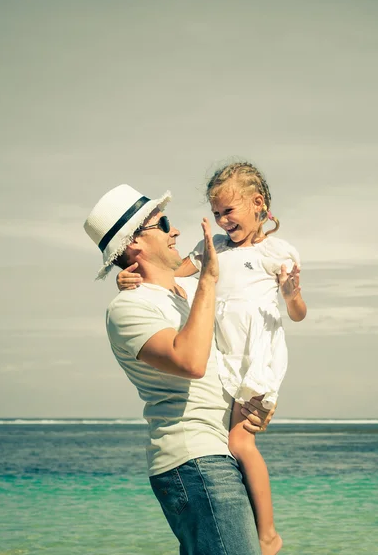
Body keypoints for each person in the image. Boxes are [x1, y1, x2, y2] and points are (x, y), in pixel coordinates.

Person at [118, 162, 307, 555]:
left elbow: (297, 311)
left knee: (241, 443)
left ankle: (268, 531)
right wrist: (128, 274)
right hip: (209, 412)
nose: (222, 221)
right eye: (217, 213)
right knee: (238, 445)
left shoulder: (272, 254)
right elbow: (175, 280)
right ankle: (266, 532)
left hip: (250, 365)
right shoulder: (203, 257)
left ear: (258, 204)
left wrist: (290, 294)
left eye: (228, 211)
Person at [83, 183, 275, 555]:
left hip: (220, 454)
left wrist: (258, 401)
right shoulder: (127, 308)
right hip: (194, 459)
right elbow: (190, 361)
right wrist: (207, 281)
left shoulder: (187, 290)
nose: (175, 231)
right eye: (163, 223)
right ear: (134, 243)